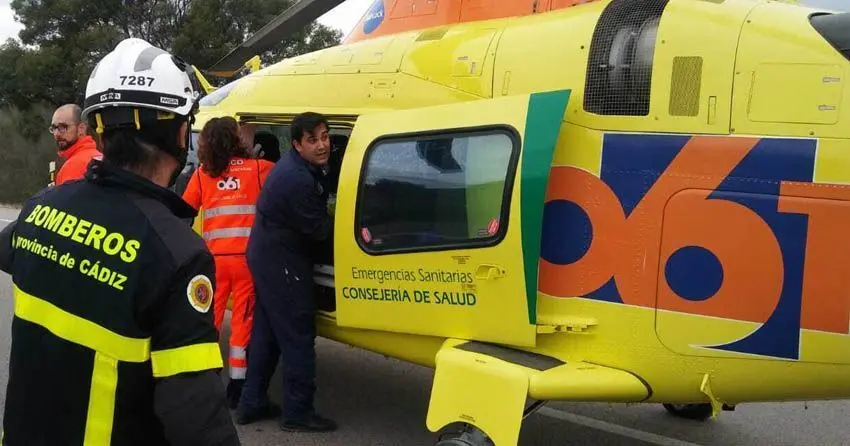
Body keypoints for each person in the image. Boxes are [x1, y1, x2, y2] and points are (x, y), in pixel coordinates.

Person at [0, 37, 240, 446]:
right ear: (180, 131)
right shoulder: (177, 253)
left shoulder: (41, 207)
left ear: (97, 129)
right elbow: (196, 417)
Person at [236, 111, 336, 432]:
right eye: (312, 140)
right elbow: (321, 231)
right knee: (298, 332)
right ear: (296, 144)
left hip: (266, 254)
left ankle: (251, 402)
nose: (322, 145)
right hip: (280, 261)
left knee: (267, 332)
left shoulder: (299, 167)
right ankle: (298, 412)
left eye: (325, 137)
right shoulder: (298, 179)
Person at [182, 116, 274, 408]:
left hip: (213, 263)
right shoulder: (259, 169)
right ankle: (237, 385)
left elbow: (184, 211)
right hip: (247, 262)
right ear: (237, 139)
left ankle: (203, 380)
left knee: (209, 322)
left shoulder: (202, 175)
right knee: (242, 322)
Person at [50, 103, 102, 185]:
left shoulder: (73, 166)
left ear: (81, 129)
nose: (56, 133)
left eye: (62, 127)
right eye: (54, 128)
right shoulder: (99, 157)